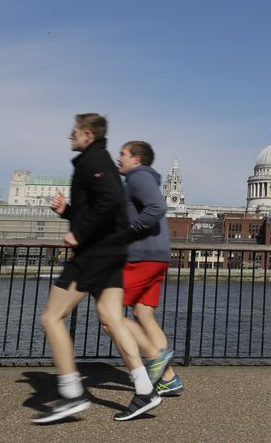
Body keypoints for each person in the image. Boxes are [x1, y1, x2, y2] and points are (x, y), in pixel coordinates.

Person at [33, 114, 162, 424]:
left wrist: (79, 232)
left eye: (74, 132)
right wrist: (68, 212)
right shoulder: (99, 159)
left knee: (52, 318)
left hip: (93, 253)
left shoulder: (92, 160)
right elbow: (102, 205)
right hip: (111, 252)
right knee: (112, 318)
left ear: (87, 135)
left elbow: (110, 202)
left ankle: (72, 393)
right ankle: (145, 389)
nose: (69, 136)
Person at [116, 140, 182, 396]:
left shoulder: (138, 177)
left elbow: (157, 208)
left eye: (122, 154)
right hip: (156, 255)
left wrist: (127, 230)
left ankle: (155, 361)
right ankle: (169, 379)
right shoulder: (144, 179)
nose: (118, 158)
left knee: (108, 315)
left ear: (137, 158)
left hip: (142, 255)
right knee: (143, 315)